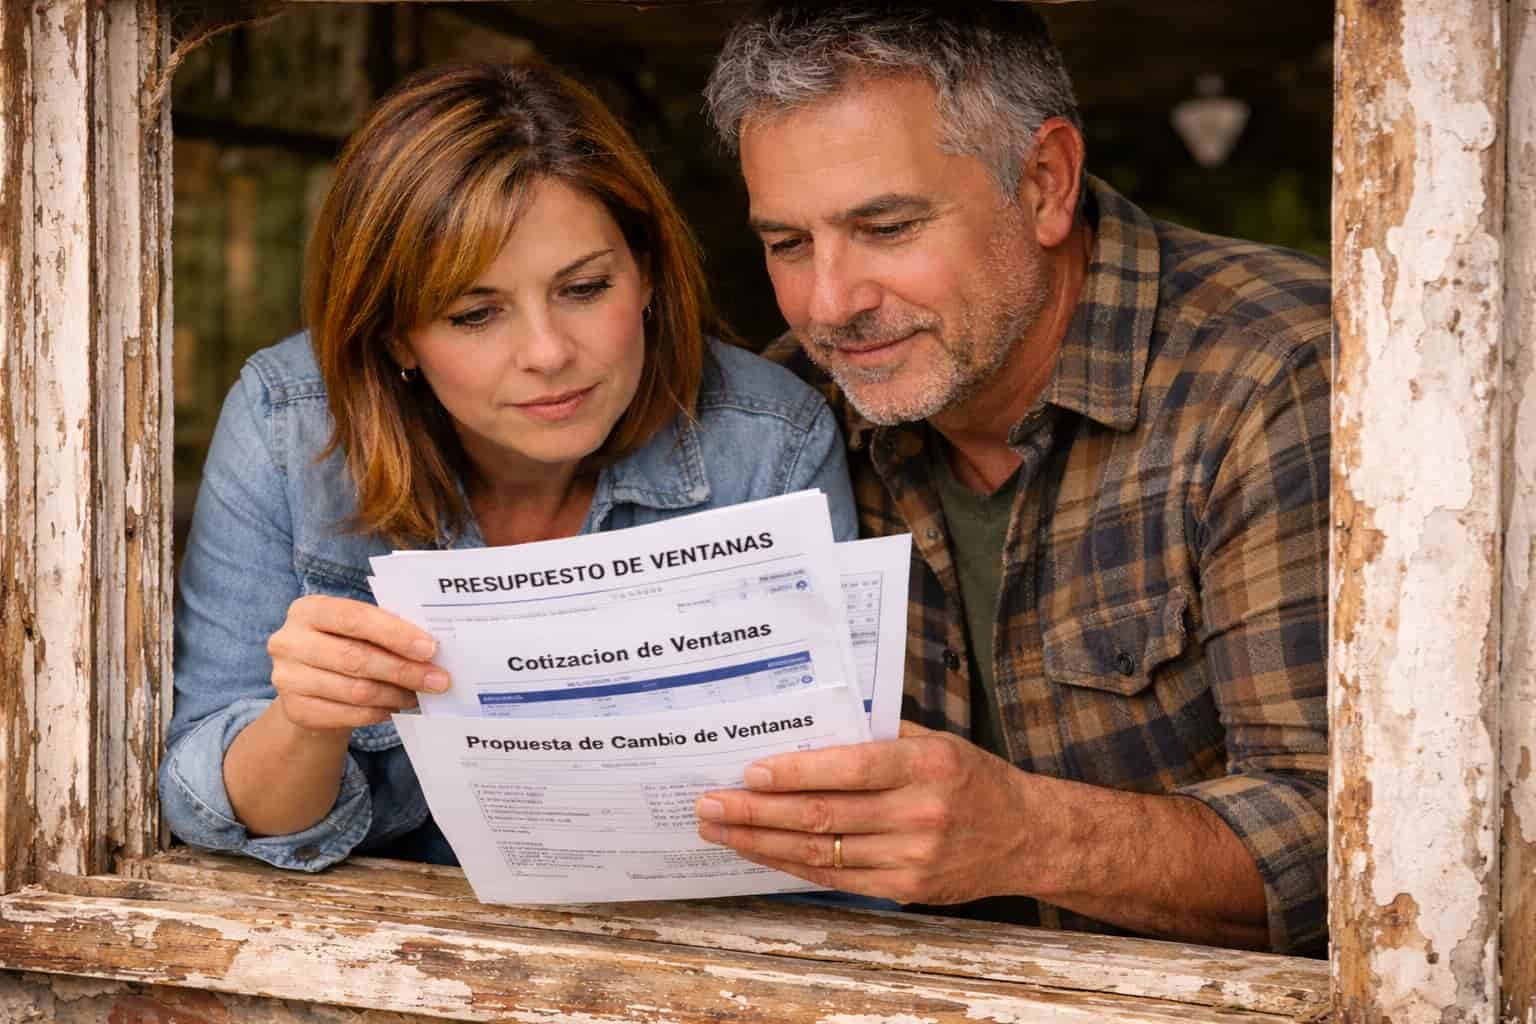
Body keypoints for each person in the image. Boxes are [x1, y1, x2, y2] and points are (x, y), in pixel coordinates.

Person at [693, 1, 1330, 956]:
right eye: (787, 244)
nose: (831, 304)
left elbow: (1381, 852)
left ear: (1044, 184)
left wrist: (1027, 836)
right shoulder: (785, 417)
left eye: (888, 227)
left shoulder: (1279, 374)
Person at [160, 61, 857, 871]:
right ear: (394, 336)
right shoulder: (292, 426)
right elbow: (206, 804)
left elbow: (834, 811)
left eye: (586, 288)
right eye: (476, 313)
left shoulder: (770, 438)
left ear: (648, 276)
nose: (549, 353)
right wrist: (306, 723)